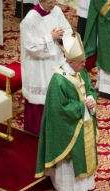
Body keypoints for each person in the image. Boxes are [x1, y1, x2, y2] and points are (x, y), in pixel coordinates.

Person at [35, 33, 99, 191]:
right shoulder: (58, 80)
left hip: (83, 120)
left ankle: (83, 186)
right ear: (70, 62)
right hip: (67, 127)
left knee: (84, 153)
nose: (85, 65)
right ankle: (66, 189)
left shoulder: (80, 71)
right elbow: (58, 109)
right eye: (81, 62)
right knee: (69, 160)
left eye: (84, 61)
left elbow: (90, 89)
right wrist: (81, 107)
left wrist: (91, 100)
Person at [20, 0, 72, 136]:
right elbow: (30, 47)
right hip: (39, 64)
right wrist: (50, 37)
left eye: (54, 1)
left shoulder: (56, 11)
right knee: (41, 95)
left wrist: (62, 35)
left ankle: (57, 125)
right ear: (40, 1)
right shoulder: (29, 20)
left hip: (56, 60)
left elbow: (68, 29)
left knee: (57, 91)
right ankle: (40, 130)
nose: (53, 4)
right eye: (50, 2)